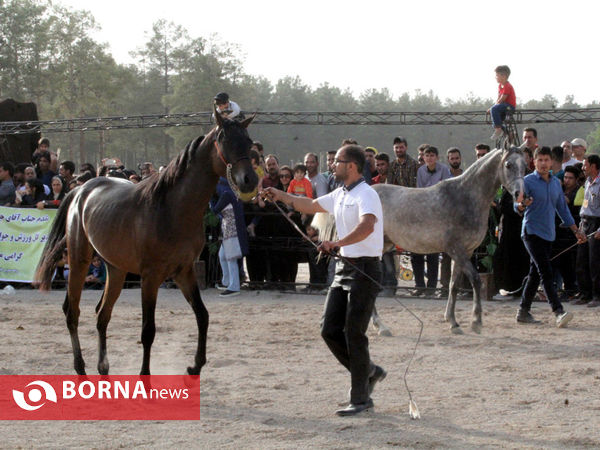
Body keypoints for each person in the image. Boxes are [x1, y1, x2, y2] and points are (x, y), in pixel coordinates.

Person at [262, 144, 386, 416]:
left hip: (365, 270)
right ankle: (370, 372)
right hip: (345, 270)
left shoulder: (367, 195)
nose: (333, 165)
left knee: (354, 333)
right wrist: (279, 195)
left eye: (337, 161)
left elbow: (367, 226)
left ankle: (361, 398)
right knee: (329, 329)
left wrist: (337, 243)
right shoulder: (340, 194)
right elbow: (309, 204)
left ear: (351, 166)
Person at [514, 147, 585, 327]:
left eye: (547, 160)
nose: (544, 164)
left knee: (535, 273)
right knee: (545, 271)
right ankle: (558, 311)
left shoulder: (555, 183)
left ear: (552, 162)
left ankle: (523, 311)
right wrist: (523, 204)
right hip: (531, 232)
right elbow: (518, 206)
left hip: (548, 234)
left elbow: (563, 209)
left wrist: (576, 230)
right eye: (540, 160)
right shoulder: (527, 181)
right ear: (535, 162)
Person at [413, 146, 451, 292]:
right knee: (416, 251)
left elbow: (446, 189)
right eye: (426, 155)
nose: (429, 158)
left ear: (437, 157)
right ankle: (419, 285)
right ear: (423, 157)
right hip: (422, 213)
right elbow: (419, 190)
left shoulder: (444, 170)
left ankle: (432, 286)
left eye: (432, 155)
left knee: (433, 252)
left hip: (438, 214)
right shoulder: (421, 170)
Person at [211, 177, 249, 297]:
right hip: (229, 229)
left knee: (231, 258)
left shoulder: (227, 194)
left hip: (232, 230)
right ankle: (226, 281)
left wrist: (211, 198)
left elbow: (215, 210)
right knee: (222, 255)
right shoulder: (232, 193)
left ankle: (234, 286)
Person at [574, 155, 600, 307]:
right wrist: (579, 227)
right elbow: (585, 206)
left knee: (595, 261)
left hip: (596, 223)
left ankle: (597, 296)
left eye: (585, 165)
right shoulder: (587, 182)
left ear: (594, 166)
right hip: (584, 223)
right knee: (581, 260)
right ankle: (585, 294)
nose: (583, 168)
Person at [489, 65, 516, 140]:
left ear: (504, 76)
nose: (496, 77)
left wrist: (493, 108)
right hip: (503, 106)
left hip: (509, 106)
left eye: (497, 75)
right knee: (495, 119)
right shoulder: (500, 86)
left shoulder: (507, 86)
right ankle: (508, 132)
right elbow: (498, 98)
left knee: (494, 110)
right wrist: (492, 108)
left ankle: (498, 129)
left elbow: (503, 98)